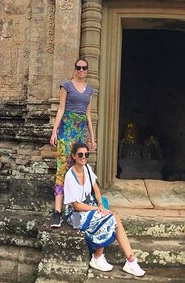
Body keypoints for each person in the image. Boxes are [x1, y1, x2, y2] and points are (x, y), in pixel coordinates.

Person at [63, 142, 146, 277]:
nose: (83, 157)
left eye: (86, 154)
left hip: (89, 209)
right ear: (74, 156)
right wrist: (97, 209)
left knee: (113, 216)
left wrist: (100, 204)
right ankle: (97, 257)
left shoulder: (87, 169)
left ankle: (130, 259)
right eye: (80, 154)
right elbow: (76, 206)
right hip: (75, 216)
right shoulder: (69, 177)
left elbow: (96, 190)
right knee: (109, 217)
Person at [49, 58, 96, 228]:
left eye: (84, 68)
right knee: (62, 168)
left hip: (81, 132)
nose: (81, 70)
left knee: (78, 171)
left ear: (87, 70)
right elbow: (61, 109)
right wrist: (54, 131)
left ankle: (76, 213)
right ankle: (57, 212)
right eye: (79, 67)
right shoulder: (66, 86)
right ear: (75, 69)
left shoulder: (90, 91)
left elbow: (88, 116)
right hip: (67, 130)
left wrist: (92, 138)